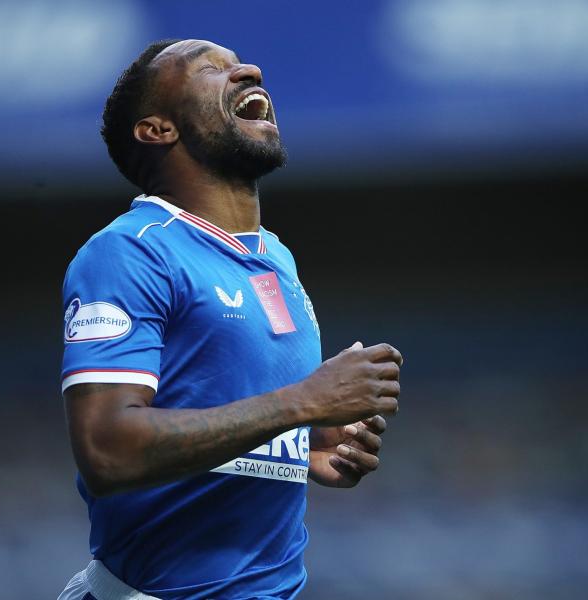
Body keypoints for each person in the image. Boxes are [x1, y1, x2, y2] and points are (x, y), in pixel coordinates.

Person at [58, 39, 402, 600]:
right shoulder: (131, 251)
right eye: (209, 69)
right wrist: (301, 403)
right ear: (157, 129)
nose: (249, 69)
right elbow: (107, 449)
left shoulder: (274, 257)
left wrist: (304, 443)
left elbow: (232, 416)